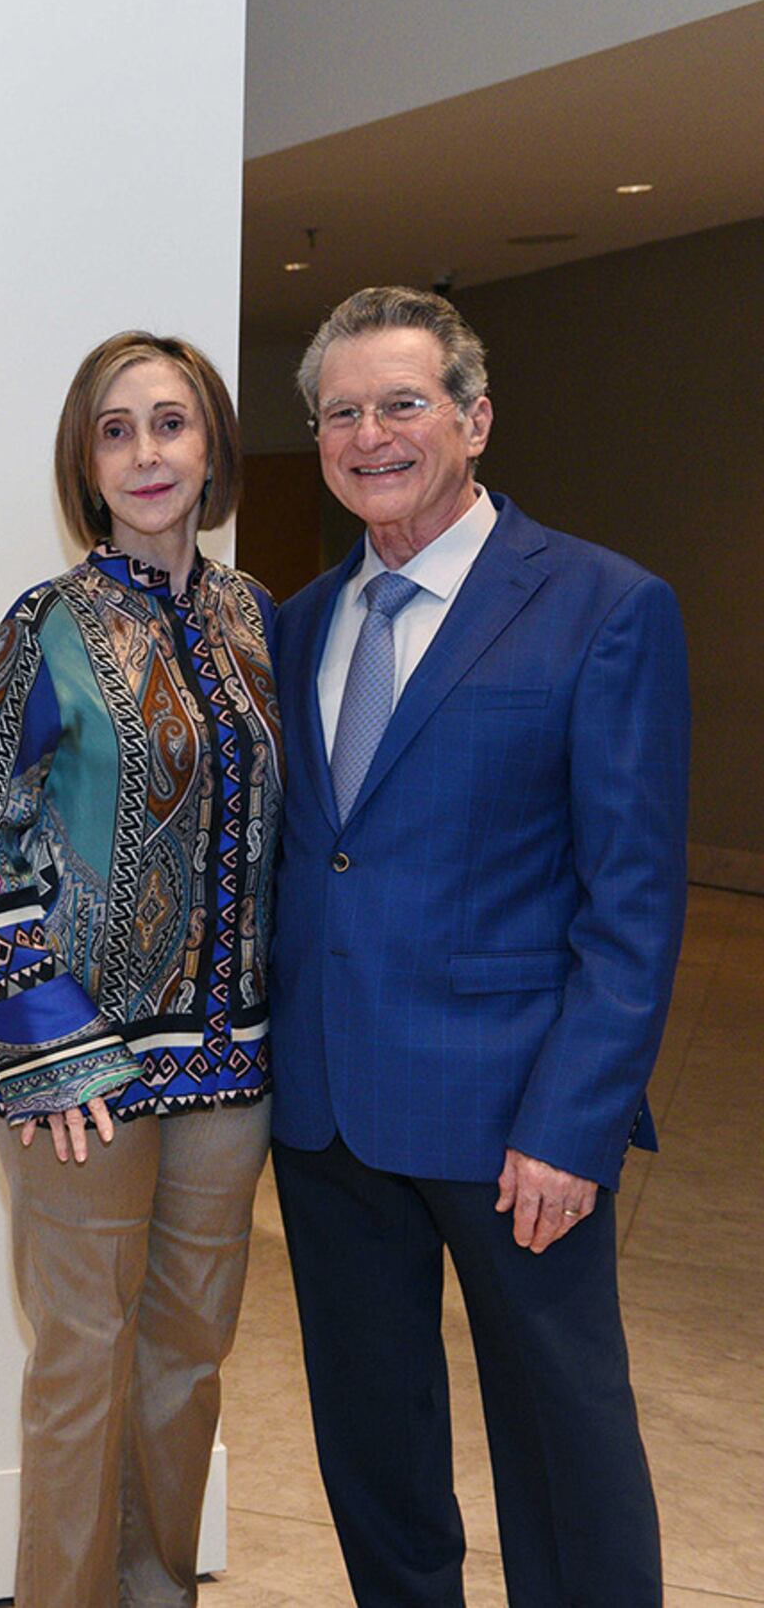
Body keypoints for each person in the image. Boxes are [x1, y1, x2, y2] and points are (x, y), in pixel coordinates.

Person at [269, 286, 687, 1607]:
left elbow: (632, 902)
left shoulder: (604, 607)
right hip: (329, 1112)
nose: (370, 434)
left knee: (565, 1449)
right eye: (342, 412)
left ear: (476, 418)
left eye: (403, 402)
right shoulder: (297, 623)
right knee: (373, 1447)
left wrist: (577, 1120)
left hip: (519, 1122)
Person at [0, 331, 281, 1607]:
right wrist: (50, 1039)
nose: (147, 452)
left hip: (231, 1063)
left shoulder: (254, 618)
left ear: (210, 448)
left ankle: (162, 1594)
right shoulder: (42, 628)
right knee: (82, 1362)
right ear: (85, 467)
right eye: (115, 429)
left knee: (189, 1358)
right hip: (78, 1074)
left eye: (171, 422)